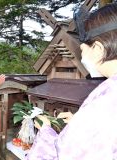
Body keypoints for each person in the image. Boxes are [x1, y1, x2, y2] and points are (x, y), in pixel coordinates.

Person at [25, 3, 117, 160]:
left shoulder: (102, 105)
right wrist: (80, 124)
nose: (82, 53)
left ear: (99, 48)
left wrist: (46, 130)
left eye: (83, 48)